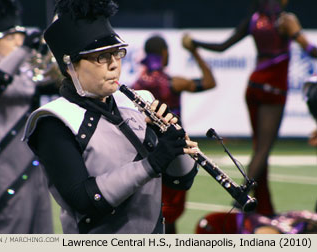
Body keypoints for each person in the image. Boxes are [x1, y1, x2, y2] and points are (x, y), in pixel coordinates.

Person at [22, 0, 199, 234]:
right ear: (70, 65)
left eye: (117, 53)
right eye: (101, 57)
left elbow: (181, 181)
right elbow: (85, 200)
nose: (114, 65)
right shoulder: (53, 121)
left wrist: (174, 145)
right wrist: (152, 163)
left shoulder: (138, 101)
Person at [183, 0, 317, 216]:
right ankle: (240, 198)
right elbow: (311, 50)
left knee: (259, 148)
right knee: (263, 150)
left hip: (253, 85)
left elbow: (222, 47)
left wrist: (194, 42)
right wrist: (299, 33)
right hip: (273, 88)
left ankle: (263, 208)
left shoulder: (253, 20)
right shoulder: (286, 20)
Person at [0, 0, 55, 233]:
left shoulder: (30, 78)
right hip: (10, 177)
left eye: (20, 36)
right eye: (10, 38)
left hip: (39, 177)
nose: (18, 41)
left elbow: (62, 85)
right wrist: (24, 50)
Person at [132, 35, 216, 233]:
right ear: (164, 53)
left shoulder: (135, 87)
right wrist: (195, 52)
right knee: (169, 213)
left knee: (153, 209)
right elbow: (210, 82)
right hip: (174, 154)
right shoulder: (175, 83)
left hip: (148, 153)